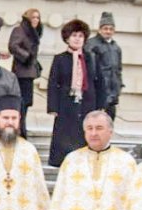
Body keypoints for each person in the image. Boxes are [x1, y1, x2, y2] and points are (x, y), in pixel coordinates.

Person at [45, 19, 105, 167]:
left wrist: (101, 106)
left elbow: (100, 83)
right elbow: (53, 83)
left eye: (80, 36)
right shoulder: (60, 59)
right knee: (65, 133)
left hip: (87, 102)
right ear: (67, 38)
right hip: (65, 103)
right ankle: (63, 162)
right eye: (74, 35)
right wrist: (53, 107)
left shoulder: (91, 58)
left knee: (84, 132)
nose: (77, 39)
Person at [8, 8, 43, 138]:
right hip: (21, 72)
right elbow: (13, 46)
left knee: (26, 103)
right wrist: (26, 57)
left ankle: (22, 129)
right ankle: (20, 131)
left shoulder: (34, 32)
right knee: (21, 103)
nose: (36, 20)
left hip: (29, 73)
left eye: (38, 18)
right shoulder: (20, 30)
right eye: (33, 17)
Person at [85, 13, 123, 120]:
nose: (108, 31)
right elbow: (89, 69)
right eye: (105, 28)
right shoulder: (91, 45)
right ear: (100, 29)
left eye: (111, 29)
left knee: (109, 122)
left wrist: (118, 88)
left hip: (112, 93)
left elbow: (118, 70)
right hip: (97, 91)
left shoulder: (116, 48)